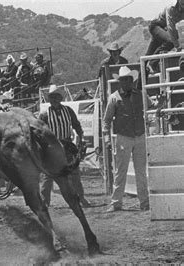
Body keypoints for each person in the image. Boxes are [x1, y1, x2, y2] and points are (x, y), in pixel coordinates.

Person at [103, 66, 156, 212]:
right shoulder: (114, 97)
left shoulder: (141, 94)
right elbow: (106, 120)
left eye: (129, 79)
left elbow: (152, 107)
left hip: (139, 135)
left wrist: (160, 104)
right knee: (121, 171)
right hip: (124, 137)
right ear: (120, 81)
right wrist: (107, 138)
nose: (127, 82)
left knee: (140, 171)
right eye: (124, 79)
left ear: (132, 80)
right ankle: (116, 202)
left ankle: (144, 202)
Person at [39, 85, 91, 208]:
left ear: (60, 98)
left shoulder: (68, 111)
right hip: (52, 147)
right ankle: (44, 202)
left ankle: (81, 198)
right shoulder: (45, 114)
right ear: (49, 99)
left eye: (56, 96)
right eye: (52, 97)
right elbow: (40, 132)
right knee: (48, 176)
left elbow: (77, 126)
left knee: (74, 173)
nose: (54, 99)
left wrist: (81, 138)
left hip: (67, 145)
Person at [146, 0, 184, 70]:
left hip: (164, 29)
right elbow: (171, 28)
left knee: (148, 55)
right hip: (156, 26)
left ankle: (140, 80)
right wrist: (178, 46)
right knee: (171, 41)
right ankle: (152, 62)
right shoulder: (171, 8)